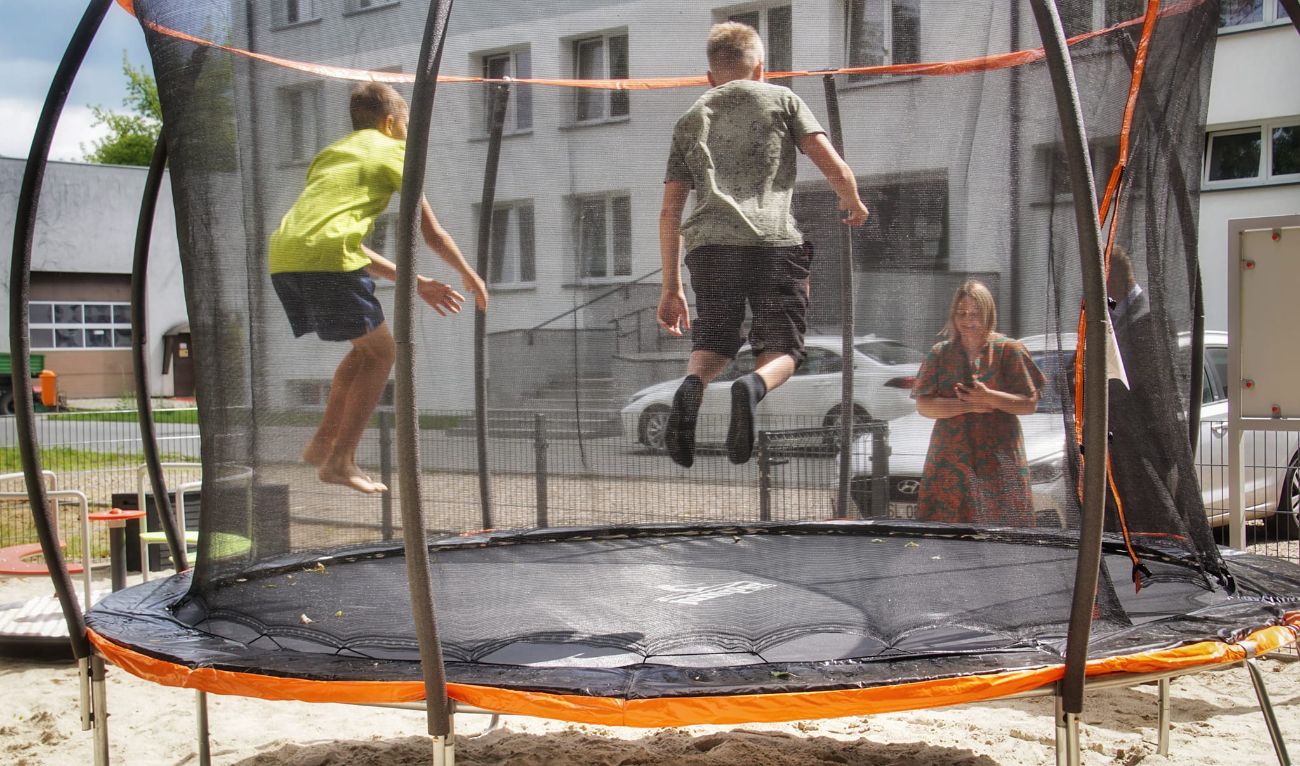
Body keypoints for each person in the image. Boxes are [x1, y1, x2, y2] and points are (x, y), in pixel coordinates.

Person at [656, 21, 870, 467]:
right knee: (784, 352)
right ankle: (751, 387)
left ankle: (691, 387)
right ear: (760, 69)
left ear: (710, 76)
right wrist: (851, 199)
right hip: (773, 244)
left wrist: (671, 287)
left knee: (714, 342)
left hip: (710, 248)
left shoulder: (690, 117)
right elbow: (833, 166)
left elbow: (670, 211)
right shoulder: (784, 99)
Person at [269, 82, 488, 494]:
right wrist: (469, 274)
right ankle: (341, 460)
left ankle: (323, 442)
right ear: (391, 123)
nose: (406, 134)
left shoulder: (330, 155)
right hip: (328, 259)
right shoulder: (394, 151)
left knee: (365, 348)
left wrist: (417, 282)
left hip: (284, 257)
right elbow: (432, 233)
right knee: (384, 352)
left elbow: (337, 241)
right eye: (405, 126)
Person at [913, 280, 1044, 525]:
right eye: (961, 313)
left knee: (1003, 533)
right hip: (950, 464)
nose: (968, 320)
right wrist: (969, 405)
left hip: (998, 461)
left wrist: (990, 398)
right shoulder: (940, 353)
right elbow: (924, 406)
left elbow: (1029, 403)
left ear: (988, 314)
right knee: (946, 535)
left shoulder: (1009, 350)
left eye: (975, 313)